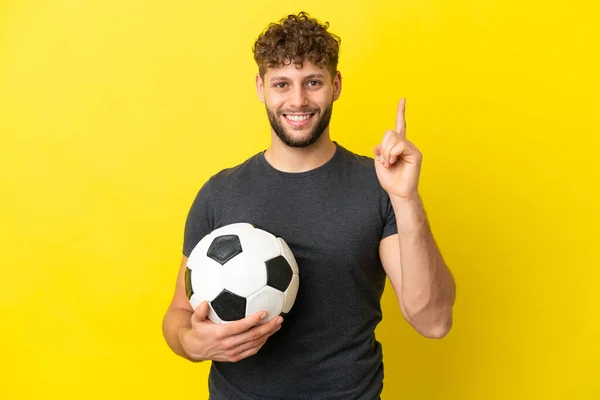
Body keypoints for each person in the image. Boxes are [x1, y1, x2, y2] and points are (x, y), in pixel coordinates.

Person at [162, 11, 456, 400]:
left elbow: (433, 320)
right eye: (282, 83)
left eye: (312, 82)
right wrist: (191, 342)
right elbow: (177, 316)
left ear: (335, 85)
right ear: (260, 87)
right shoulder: (220, 193)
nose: (297, 100)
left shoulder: (378, 187)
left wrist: (406, 199)